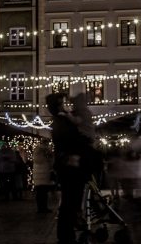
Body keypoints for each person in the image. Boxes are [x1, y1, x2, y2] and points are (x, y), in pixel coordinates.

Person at [48, 92, 91, 244]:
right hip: (70, 166)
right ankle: (66, 235)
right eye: (62, 103)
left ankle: (67, 233)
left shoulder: (61, 120)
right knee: (70, 202)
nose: (66, 105)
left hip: (68, 165)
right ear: (57, 106)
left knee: (69, 201)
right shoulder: (61, 121)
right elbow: (71, 141)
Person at [32, 137, 55, 213]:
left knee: (40, 192)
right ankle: (43, 208)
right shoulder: (46, 150)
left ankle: (41, 208)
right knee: (43, 193)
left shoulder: (37, 149)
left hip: (38, 174)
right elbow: (50, 160)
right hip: (44, 173)